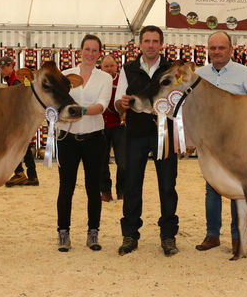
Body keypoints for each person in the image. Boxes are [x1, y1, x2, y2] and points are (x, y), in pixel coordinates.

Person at [194, 31, 247, 258]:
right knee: (212, 188)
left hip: (237, 142)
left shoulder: (244, 73)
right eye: (213, 48)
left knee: (237, 189)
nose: (216, 52)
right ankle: (212, 235)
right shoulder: (199, 74)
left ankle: (237, 239)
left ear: (230, 50)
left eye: (221, 48)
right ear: (208, 50)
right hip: (209, 140)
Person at [115, 25, 180, 256]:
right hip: (135, 134)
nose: (151, 45)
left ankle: (168, 236)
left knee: (167, 185)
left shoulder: (172, 69)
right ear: (140, 44)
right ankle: (130, 235)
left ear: (161, 44)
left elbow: (181, 100)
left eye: (155, 41)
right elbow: (117, 101)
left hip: (165, 134)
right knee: (132, 184)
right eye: (147, 41)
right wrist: (120, 104)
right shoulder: (127, 69)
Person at [55, 35, 113, 252]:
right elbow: (57, 102)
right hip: (67, 139)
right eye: (87, 49)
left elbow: (102, 106)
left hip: (94, 139)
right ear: (80, 51)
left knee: (93, 187)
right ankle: (63, 232)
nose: (90, 53)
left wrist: (80, 111)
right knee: (66, 187)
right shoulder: (64, 75)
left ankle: (93, 232)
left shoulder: (105, 78)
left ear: (99, 53)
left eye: (94, 50)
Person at [1, 56, 39, 187]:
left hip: (20, 120)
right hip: (24, 119)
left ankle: (20, 173)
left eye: (5, 67)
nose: (3, 70)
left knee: (15, 147)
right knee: (25, 147)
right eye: (1, 68)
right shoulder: (12, 80)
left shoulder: (16, 81)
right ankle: (32, 176)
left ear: (12, 66)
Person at [99, 54, 126, 202]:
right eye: (106, 66)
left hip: (120, 125)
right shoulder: (98, 80)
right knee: (102, 161)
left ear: (117, 66)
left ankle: (121, 190)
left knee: (123, 162)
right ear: (101, 67)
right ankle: (105, 191)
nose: (109, 69)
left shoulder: (122, 80)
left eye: (112, 66)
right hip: (102, 124)